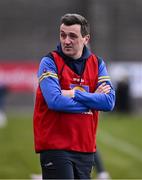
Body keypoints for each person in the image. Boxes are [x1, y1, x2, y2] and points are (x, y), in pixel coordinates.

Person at [33, 13, 115, 179]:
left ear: (86, 39)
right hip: (55, 147)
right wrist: (93, 100)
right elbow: (55, 101)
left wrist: (74, 93)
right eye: (63, 35)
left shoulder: (98, 64)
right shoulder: (49, 62)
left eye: (72, 36)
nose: (66, 41)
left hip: (85, 149)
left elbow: (108, 102)